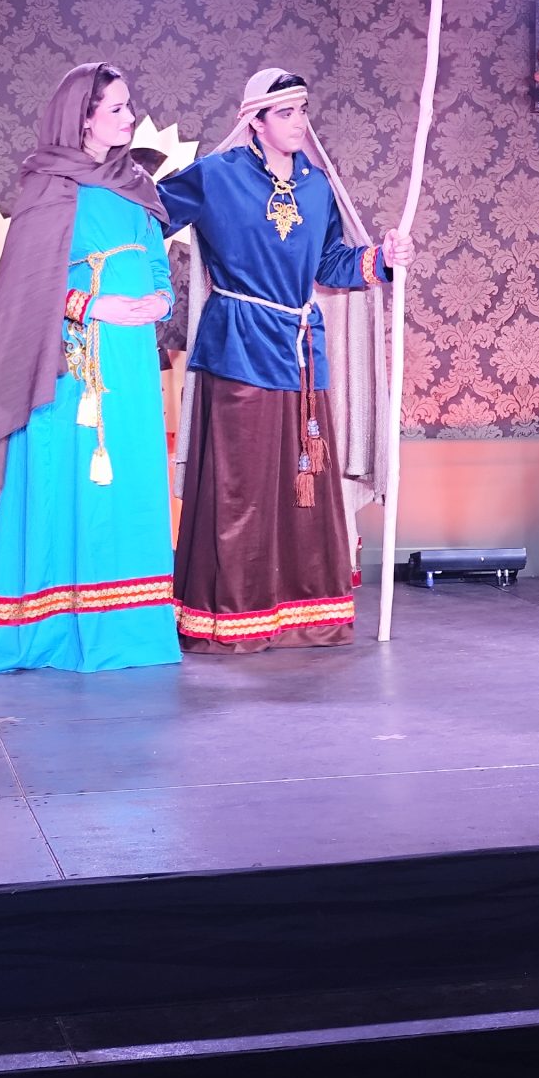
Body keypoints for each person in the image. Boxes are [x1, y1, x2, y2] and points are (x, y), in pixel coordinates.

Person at [160, 69, 409, 653]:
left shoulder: (316, 186)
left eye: (303, 110)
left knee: (305, 488)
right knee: (240, 488)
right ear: (255, 120)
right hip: (239, 346)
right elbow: (146, 221)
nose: (300, 123)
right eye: (287, 113)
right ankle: (234, 617)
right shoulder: (216, 176)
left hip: (301, 351)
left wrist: (384, 259)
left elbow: (331, 264)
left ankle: (302, 616)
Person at [0, 64, 181, 673]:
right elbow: (22, 287)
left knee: (129, 478)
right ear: (82, 118)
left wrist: (160, 300)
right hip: (70, 361)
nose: (129, 118)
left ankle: (129, 630)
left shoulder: (136, 184)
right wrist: (91, 305)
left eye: (129, 106)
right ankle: (56, 627)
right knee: (72, 480)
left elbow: (157, 263)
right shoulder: (50, 186)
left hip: (132, 358)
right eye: (116, 109)